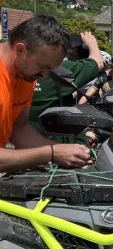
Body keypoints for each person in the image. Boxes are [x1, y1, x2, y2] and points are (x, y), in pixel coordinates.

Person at [0, 16, 92, 171]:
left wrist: (65, 151)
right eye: (43, 66)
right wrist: (51, 153)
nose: (45, 75)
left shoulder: (25, 74)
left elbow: (19, 128)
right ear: (21, 50)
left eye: (50, 69)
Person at [28, 30, 105, 132]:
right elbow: (99, 63)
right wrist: (92, 43)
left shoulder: (24, 67)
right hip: (52, 136)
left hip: (24, 132)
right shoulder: (61, 69)